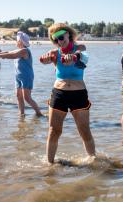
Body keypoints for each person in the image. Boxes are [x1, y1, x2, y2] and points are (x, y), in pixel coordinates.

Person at [39, 23, 96, 164]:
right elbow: (44, 60)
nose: (59, 41)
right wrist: (45, 59)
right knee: (54, 131)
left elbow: (82, 55)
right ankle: (49, 164)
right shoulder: (54, 53)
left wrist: (74, 57)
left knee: (84, 130)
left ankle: (93, 162)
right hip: (59, 94)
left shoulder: (80, 48)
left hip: (79, 94)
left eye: (61, 37)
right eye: (55, 39)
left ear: (68, 34)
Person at [0, 31, 42, 116]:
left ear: (20, 41)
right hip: (18, 77)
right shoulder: (19, 49)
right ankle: (22, 114)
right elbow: (7, 52)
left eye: (17, 40)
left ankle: (39, 113)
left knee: (27, 98)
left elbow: (12, 56)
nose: (16, 42)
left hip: (26, 76)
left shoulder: (24, 51)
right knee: (18, 96)